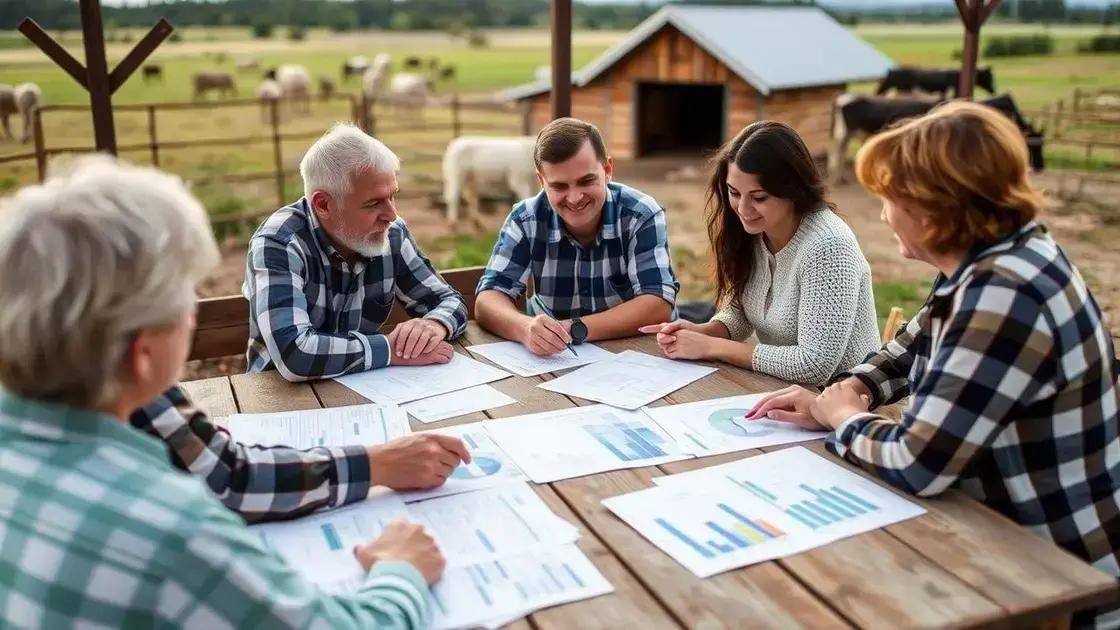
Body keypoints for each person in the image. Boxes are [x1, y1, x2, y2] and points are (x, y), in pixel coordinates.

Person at [0, 156, 441, 627]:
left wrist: (375, 463)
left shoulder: (104, 391)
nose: (192, 312)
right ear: (142, 350)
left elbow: (227, 473)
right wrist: (401, 571)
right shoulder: (176, 533)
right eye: (184, 296)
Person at [746, 102, 1119, 628]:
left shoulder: (1005, 295)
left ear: (935, 205)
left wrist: (841, 417)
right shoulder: (994, 257)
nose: (882, 213)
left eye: (890, 197)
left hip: (1052, 578)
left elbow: (917, 462)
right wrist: (852, 388)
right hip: (998, 540)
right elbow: (911, 345)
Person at [640, 121, 880, 386]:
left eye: (759, 197)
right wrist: (703, 331)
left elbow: (814, 366)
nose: (743, 208)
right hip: (779, 389)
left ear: (792, 190)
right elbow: (739, 314)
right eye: (734, 193)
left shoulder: (828, 247)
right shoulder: (754, 231)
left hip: (843, 401)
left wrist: (711, 347)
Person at [246, 122, 467, 381]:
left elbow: (450, 300)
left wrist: (433, 324)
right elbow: (294, 354)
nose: (391, 214)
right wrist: (389, 349)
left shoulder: (391, 232)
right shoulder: (278, 243)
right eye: (374, 203)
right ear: (324, 204)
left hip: (368, 388)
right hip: (277, 401)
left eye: (393, 196)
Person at [475, 117, 679, 356]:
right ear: (541, 181)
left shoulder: (641, 213)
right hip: (557, 360)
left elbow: (657, 304)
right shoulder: (525, 218)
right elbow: (488, 299)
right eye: (559, 186)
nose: (574, 198)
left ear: (607, 170)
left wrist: (574, 328)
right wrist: (525, 327)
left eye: (586, 181)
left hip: (639, 354)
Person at [129, 384, 470, 523]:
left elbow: (448, 301)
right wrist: (377, 464)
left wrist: (433, 324)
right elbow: (231, 479)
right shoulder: (130, 382)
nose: (191, 313)